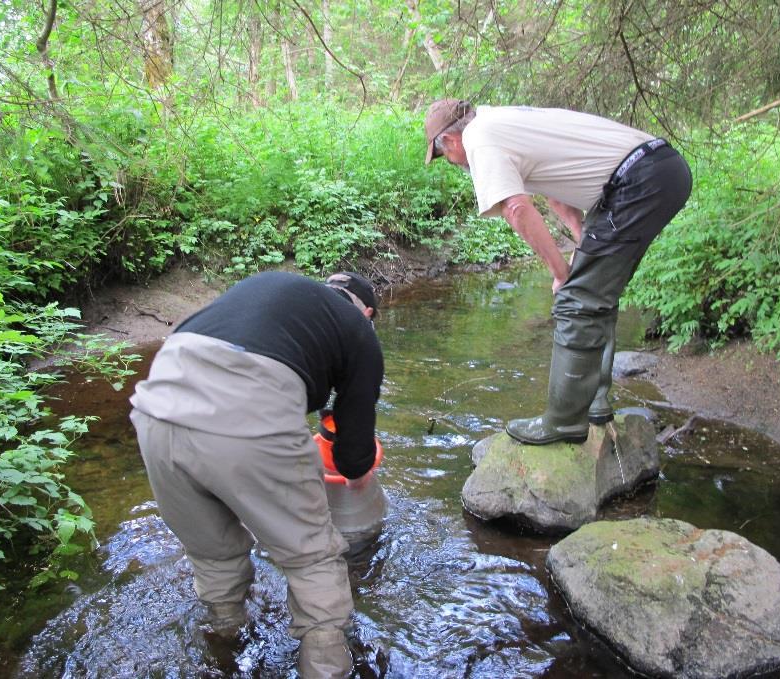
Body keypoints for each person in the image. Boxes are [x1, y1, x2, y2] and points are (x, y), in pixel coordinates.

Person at [128, 270, 383, 678]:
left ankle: (226, 645)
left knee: (212, 553)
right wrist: (359, 480)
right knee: (312, 558)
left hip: (156, 412)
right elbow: (353, 454)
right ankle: (327, 665)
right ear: (367, 311)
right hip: (247, 416)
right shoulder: (359, 329)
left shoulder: (273, 289)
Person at [424, 100, 692, 444]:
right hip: (658, 168)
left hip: (638, 182)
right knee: (594, 292)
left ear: (450, 141)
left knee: (576, 302)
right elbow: (557, 198)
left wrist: (562, 273)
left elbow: (517, 209)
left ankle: (564, 423)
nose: (451, 163)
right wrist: (585, 250)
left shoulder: (480, 138)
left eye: (444, 156)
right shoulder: (502, 120)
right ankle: (594, 402)